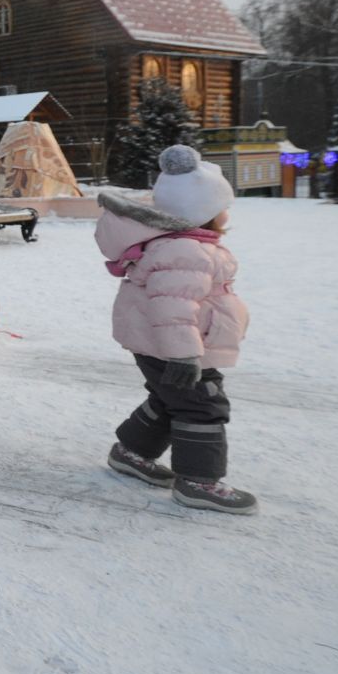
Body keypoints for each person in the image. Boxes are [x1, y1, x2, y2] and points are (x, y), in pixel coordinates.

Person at [97, 145, 255, 514]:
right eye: (221, 208)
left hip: (164, 344)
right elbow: (173, 310)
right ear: (203, 213)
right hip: (177, 347)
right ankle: (199, 480)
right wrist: (183, 356)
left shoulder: (185, 246)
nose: (226, 215)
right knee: (203, 405)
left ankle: (130, 452)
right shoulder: (185, 252)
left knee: (171, 400)